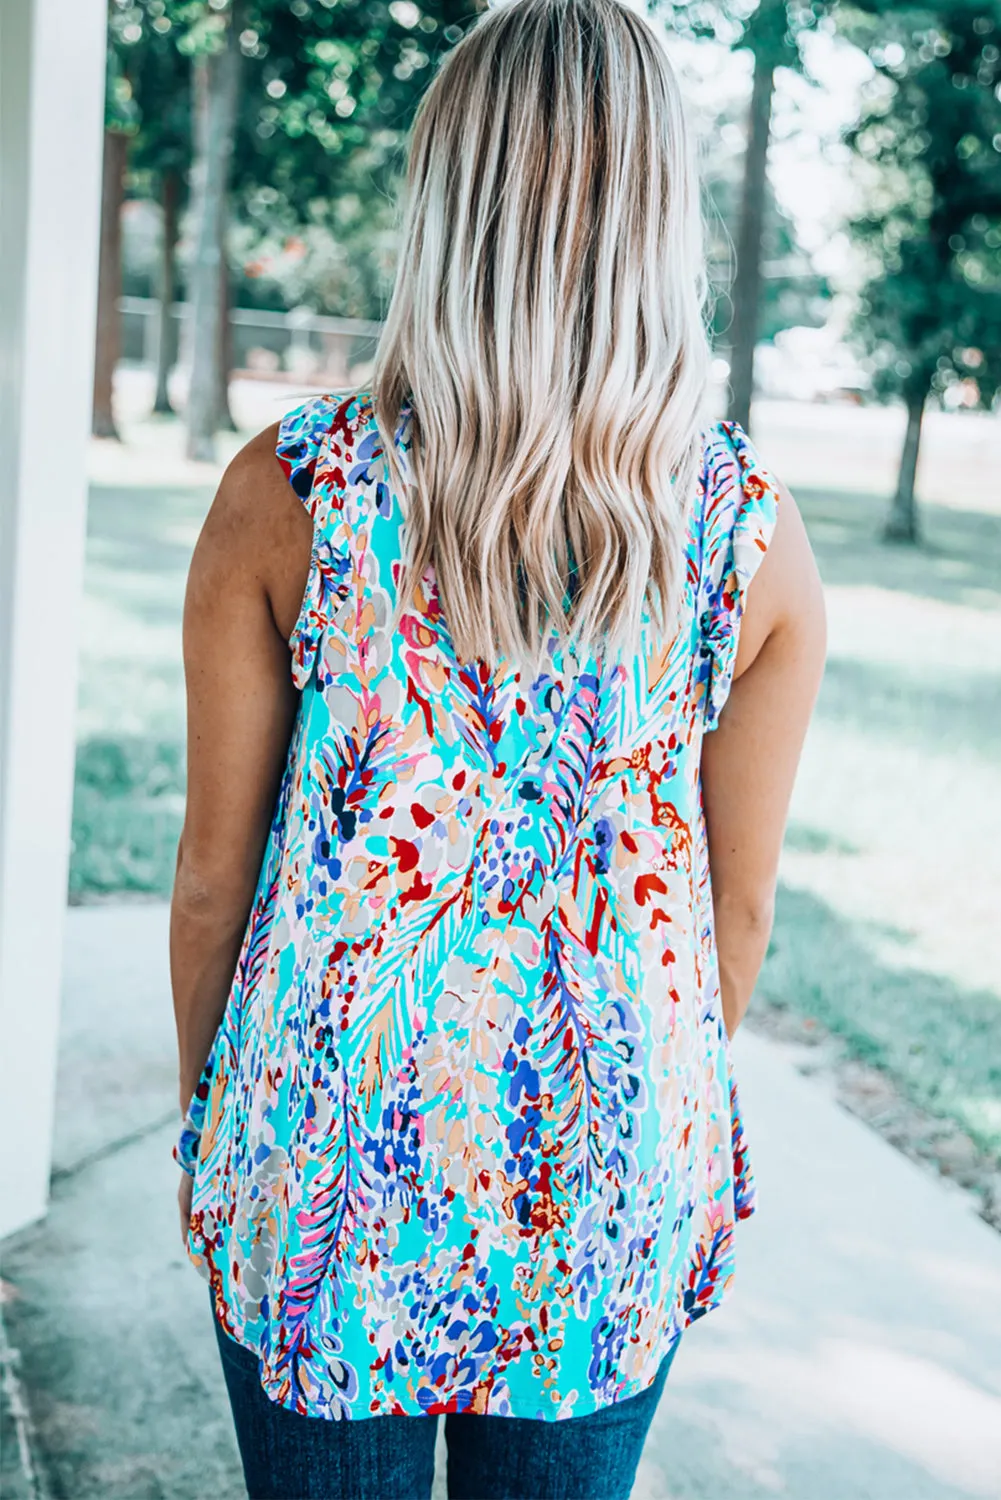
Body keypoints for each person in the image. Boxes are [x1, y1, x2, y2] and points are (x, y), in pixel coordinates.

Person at [170, 1, 826, 1496]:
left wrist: (221, 1127)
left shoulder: (292, 490)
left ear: (451, 204)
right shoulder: (751, 536)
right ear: (659, 214)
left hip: (325, 1147)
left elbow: (216, 881)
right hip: (612, 1163)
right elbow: (737, 910)